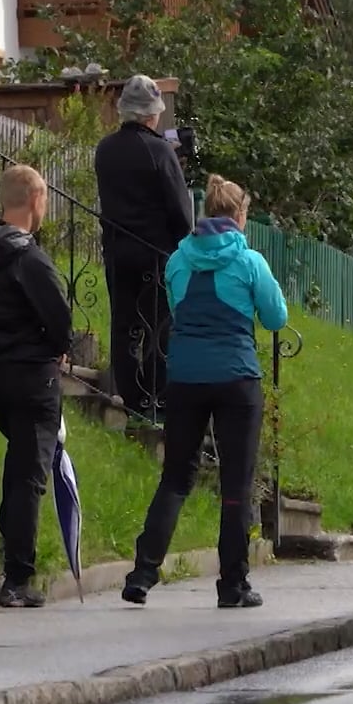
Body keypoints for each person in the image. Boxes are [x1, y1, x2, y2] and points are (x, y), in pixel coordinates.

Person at [122, 174, 288, 609]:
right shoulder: (250, 262)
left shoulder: (179, 260)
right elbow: (275, 317)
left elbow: (178, 308)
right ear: (239, 216)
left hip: (186, 380)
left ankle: (142, 572)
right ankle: (232, 585)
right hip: (236, 379)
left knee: (176, 477)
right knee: (236, 483)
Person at [0, 164, 74, 609]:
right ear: (36, 200)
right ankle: (18, 578)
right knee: (29, 475)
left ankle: (10, 542)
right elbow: (59, 321)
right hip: (32, 380)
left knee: (20, 464)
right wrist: (56, 349)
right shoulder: (30, 259)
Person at [94, 74, 194, 425]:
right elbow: (181, 212)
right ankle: (156, 396)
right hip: (155, 253)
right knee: (159, 326)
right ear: (152, 114)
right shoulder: (160, 151)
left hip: (117, 249)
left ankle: (131, 397)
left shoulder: (105, 150)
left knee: (124, 326)